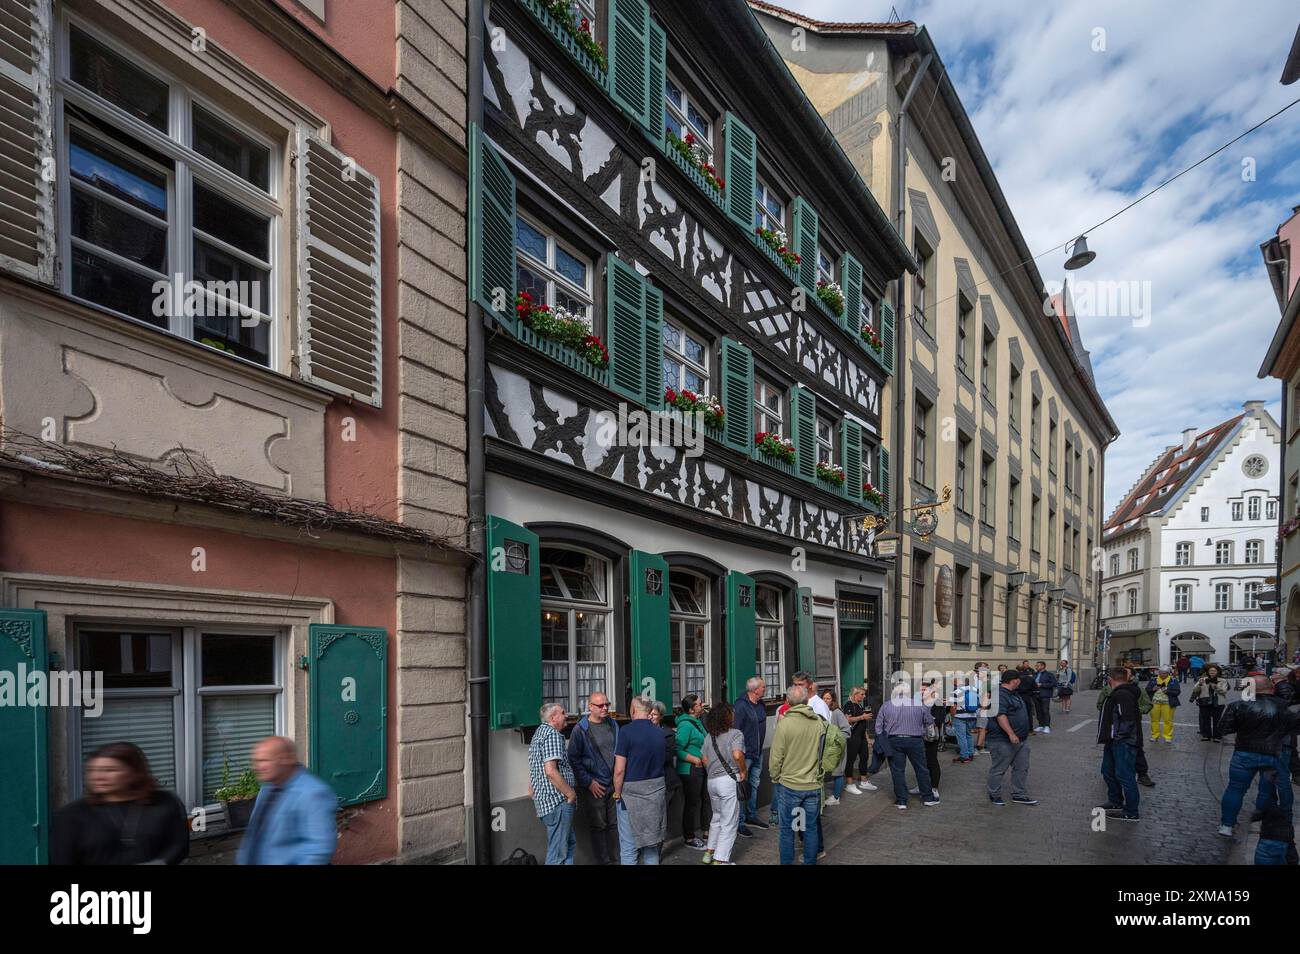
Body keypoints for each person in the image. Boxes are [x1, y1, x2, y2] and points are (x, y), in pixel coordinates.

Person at [50, 742, 190, 865]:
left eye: (110, 770)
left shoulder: (165, 802)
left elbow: (179, 845)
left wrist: (161, 862)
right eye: (92, 770)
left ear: (134, 773)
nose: (98, 777)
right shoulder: (72, 814)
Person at [768, 684, 843, 865]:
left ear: (788, 702)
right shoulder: (819, 723)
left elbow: (775, 758)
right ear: (806, 700)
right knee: (810, 828)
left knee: (787, 830)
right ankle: (810, 862)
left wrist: (775, 777)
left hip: (789, 785)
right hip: (813, 785)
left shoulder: (784, 724)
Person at [1217, 675, 1300, 837]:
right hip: (1274, 753)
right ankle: (1267, 821)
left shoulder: (1238, 705)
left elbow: (1223, 729)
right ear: (1272, 688)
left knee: (1235, 789)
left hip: (1244, 753)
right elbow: (1294, 728)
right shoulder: (1284, 707)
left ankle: (1226, 825)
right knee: (1270, 789)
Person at [236, 737, 338, 864]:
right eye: (256, 761)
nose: (257, 767)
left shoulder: (313, 793)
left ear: (286, 759)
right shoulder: (267, 789)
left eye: (264, 760)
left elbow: (319, 850)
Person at [612, 695, 668, 865]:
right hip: (656, 791)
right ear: (650, 710)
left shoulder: (626, 732)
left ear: (633, 710)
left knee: (629, 846)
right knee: (651, 845)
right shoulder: (659, 732)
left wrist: (617, 792)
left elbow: (620, 769)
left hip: (631, 794)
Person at [568, 691, 620, 865]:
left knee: (614, 825)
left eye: (607, 704)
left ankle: (616, 860)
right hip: (594, 786)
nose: (605, 708)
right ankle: (604, 861)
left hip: (614, 785)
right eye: (600, 705)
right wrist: (589, 782)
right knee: (599, 826)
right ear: (590, 707)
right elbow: (573, 759)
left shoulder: (613, 724)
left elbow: (619, 752)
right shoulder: (581, 730)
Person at [874, 681, 940, 810]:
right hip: (915, 740)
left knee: (897, 771)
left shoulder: (886, 706)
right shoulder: (919, 705)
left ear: (895, 692)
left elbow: (878, 727)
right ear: (908, 692)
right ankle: (927, 798)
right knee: (921, 769)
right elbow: (929, 721)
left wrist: (883, 741)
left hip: (894, 740)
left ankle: (901, 800)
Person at [528, 702, 578, 864]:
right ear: (553, 718)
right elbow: (550, 770)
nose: (567, 716)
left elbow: (536, 765)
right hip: (557, 801)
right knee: (558, 853)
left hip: (548, 801)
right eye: (563, 713)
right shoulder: (552, 735)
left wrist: (532, 787)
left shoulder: (539, 733)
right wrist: (570, 793)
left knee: (567, 844)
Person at [700, 701, 747, 865]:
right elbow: (737, 755)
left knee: (717, 818)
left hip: (711, 781)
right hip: (728, 781)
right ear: (728, 717)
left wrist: (713, 771)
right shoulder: (735, 734)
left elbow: (704, 759)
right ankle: (721, 860)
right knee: (729, 821)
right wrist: (743, 771)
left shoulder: (708, 736)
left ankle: (709, 852)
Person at [986, 669, 1037, 807]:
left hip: (1020, 740)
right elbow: (1000, 715)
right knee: (999, 769)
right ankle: (994, 794)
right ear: (1015, 680)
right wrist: (1011, 733)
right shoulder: (999, 695)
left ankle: (1019, 794)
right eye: (1019, 680)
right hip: (1002, 740)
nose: (1020, 682)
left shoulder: (1013, 694)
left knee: (1022, 767)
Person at [1097, 667, 1142, 822]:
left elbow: (1127, 719)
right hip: (1113, 741)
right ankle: (1115, 801)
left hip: (1123, 742)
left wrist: (1118, 737)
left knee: (1125, 775)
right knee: (1108, 771)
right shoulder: (1118, 693)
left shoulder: (1123, 694)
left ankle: (1131, 811)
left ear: (1111, 679)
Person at [1098, 672, 1157, 788]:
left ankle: (1142, 774)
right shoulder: (1108, 689)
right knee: (1112, 756)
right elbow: (1100, 704)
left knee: (1138, 751)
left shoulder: (1138, 690)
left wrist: (1134, 710)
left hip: (1133, 726)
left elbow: (1148, 705)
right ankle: (1113, 778)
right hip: (1113, 729)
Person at [732, 676, 769, 834]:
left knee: (754, 784)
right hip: (745, 753)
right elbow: (735, 731)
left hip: (757, 752)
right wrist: (739, 752)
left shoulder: (760, 703)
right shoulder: (740, 706)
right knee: (742, 787)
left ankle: (751, 815)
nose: (765, 689)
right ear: (755, 690)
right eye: (763, 687)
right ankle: (740, 822)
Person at [674, 693, 710, 851]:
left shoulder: (697, 721)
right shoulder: (685, 725)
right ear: (691, 709)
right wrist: (694, 759)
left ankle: (706, 831)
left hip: (701, 768)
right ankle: (688, 837)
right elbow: (677, 749)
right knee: (692, 803)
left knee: (705, 799)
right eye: (700, 704)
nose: (702, 706)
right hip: (690, 770)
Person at [843, 686, 875, 793]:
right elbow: (848, 720)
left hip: (861, 737)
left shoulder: (860, 705)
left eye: (864, 694)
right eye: (862, 694)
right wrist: (862, 717)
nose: (864, 696)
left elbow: (863, 725)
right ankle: (849, 783)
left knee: (864, 757)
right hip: (852, 737)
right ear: (855, 694)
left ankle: (864, 781)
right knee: (851, 760)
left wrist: (868, 738)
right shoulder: (849, 704)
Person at [823, 689, 852, 804]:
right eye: (824, 698)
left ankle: (836, 797)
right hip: (826, 748)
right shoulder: (821, 711)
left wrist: (837, 741)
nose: (825, 700)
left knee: (838, 771)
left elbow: (846, 730)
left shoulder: (836, 712)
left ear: (833, 700)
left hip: (837, 747)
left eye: (828, 698)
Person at [1190, 664, 1230, 742]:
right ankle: (1206, 735)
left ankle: (1217, 736)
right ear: (1208, 672)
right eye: (1211, 671)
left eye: (1214, 671)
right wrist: (1200, 684)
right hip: (1204, 702)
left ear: (1217, 672)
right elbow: (1195, 690)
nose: (1212, 672)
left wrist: (1215, 687)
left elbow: (1224, 691)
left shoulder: (1222, 680)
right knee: (1205, 719)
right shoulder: (1203, 679)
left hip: (1218, 702)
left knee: (1217, 720)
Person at [1147, 665, 1181, 743]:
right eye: (1161, 673)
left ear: (1168, 673)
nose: (1162, 675)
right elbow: (1147, 690)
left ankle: (1167, 736)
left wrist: (1167, 691)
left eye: (1164, 673)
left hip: (1168, 703)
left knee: (1168, 720)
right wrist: (1152, 689)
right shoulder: (1153, 680)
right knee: (1154, 720)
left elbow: (1177, 692)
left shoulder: (1173, 680)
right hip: (1154, 703)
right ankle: (1154, 735)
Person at [949, 676, 980, 762]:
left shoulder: (956, 691)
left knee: (961, 737)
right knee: (969, 735)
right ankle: (971, 754)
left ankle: (964, 756)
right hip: (972, 716)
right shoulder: (974, 690)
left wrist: (952, 716)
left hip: (959, 716)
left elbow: (953, 706)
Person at [974, 663, 993, 754]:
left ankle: (979, 747)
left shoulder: (987, 683)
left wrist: (982, 708)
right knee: (982, 729)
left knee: (982, 729)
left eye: (979, 673)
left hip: (982, 708)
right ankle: (979, 747)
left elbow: (987, 696)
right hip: (983, 708)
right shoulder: (986, 683)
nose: (977, 674)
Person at [1032, 661, 1057, 734]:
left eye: (1037, 666)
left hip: (1045, 695)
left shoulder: (1049, 674)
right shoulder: (1035, 674)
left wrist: (1042, 685)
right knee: (1038, 711)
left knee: (1045, 710)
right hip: (1035, 694)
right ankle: (1041, 725)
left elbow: (1054, 683)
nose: (1036, 667)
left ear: (1043, 666)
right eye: (1036, 666)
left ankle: (1047, 726)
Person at [1016, 660, 1038, 733]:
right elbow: (1035, 687)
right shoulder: (1030, 677)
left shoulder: (1015, 678)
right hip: (1027, 696)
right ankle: (1030, 730)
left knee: (1017, 713)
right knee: (1029, 713)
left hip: (1017, 696)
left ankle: (1019, 729)